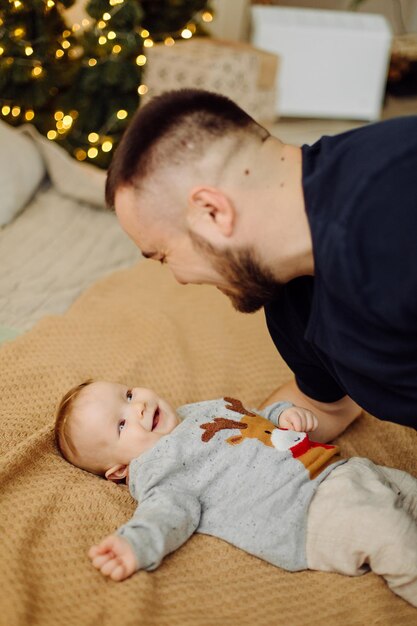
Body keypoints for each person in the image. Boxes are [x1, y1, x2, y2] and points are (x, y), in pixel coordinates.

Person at [105, 89, 417, 440]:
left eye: (163, 255)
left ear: (212, 211)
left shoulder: (398, 193)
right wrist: (227, 455)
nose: (178, 279)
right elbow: (326, 406)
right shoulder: (286, 299)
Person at [54, 380, 417, 606]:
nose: (139, 407)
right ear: (119, 471)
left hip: (338, 470)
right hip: (309, 512)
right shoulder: (157, 472)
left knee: (408, 492)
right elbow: (166, 515)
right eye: (121, 424)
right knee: (393, 538)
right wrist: (134, 543)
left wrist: (286, 414)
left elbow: (255, 419)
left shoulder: (194, 412)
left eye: (129, 394)